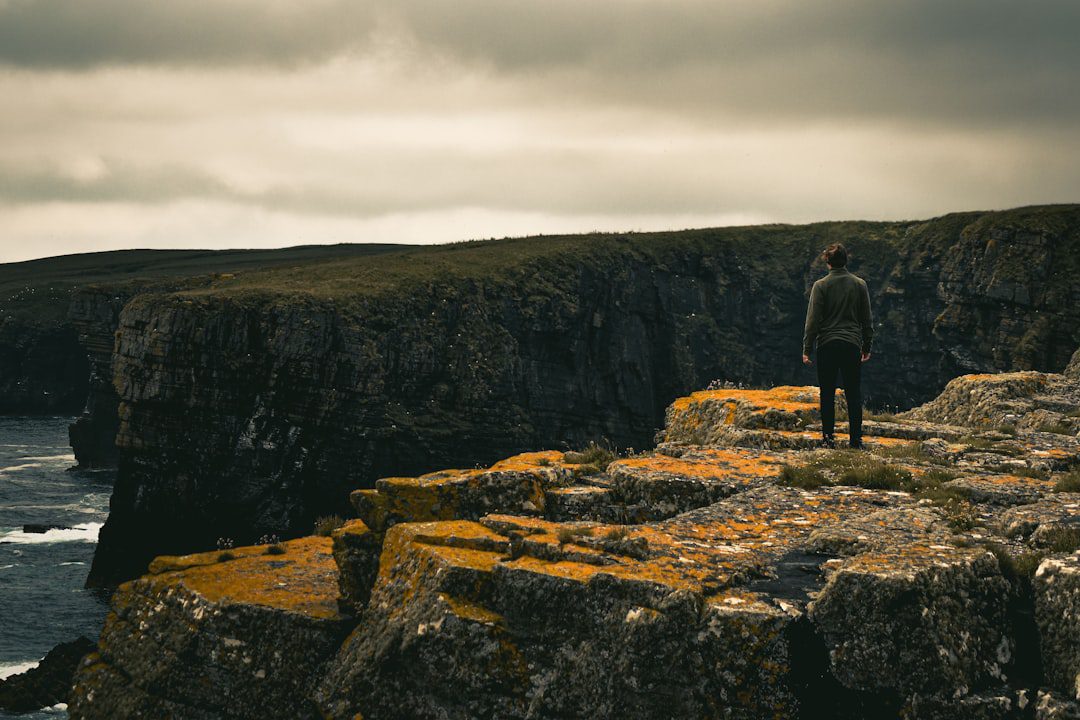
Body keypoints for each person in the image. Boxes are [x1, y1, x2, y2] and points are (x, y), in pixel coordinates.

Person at [801, 243, 873, 449]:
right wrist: (866, 346)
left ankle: (828, 439)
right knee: (853, 393)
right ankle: (856, 441)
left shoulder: (821, 286)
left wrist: (807, 349)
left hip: (827, 345)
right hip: (851, 345)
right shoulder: (860, 285)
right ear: (846, 261)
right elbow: (867, 320)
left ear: (827, 262)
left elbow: (812, 321)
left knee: (827, 393)